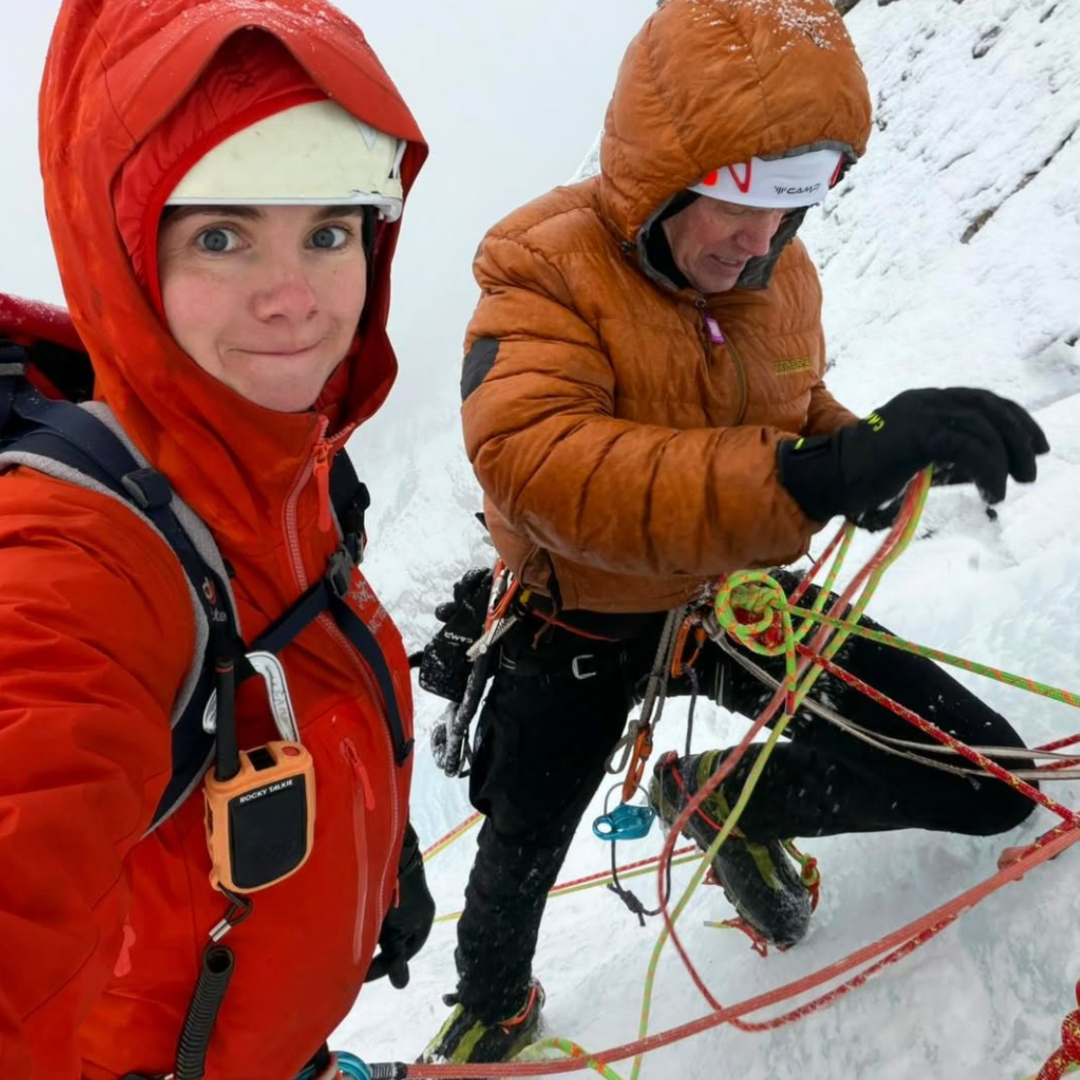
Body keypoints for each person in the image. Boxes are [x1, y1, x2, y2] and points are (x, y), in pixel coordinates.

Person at [418, 0, 1049, 1068]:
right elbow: (541, 461)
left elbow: (797, 415)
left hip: (727, 598)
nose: (761, 241)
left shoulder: (777, 274)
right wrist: (813, 476)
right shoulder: (539, 269)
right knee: (522, 849)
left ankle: (723, 803)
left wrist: (875, 455)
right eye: (736, 205)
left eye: (795, 207)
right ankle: (494, 1013)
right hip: (575, 618)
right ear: (662, 177)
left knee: (984, 777)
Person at [0, 1, 435, 1077]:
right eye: (221, 234)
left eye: (329, 232)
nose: (293, 299)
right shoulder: (75, 558)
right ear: (125, 253)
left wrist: (378, 860)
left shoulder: (290, 465)